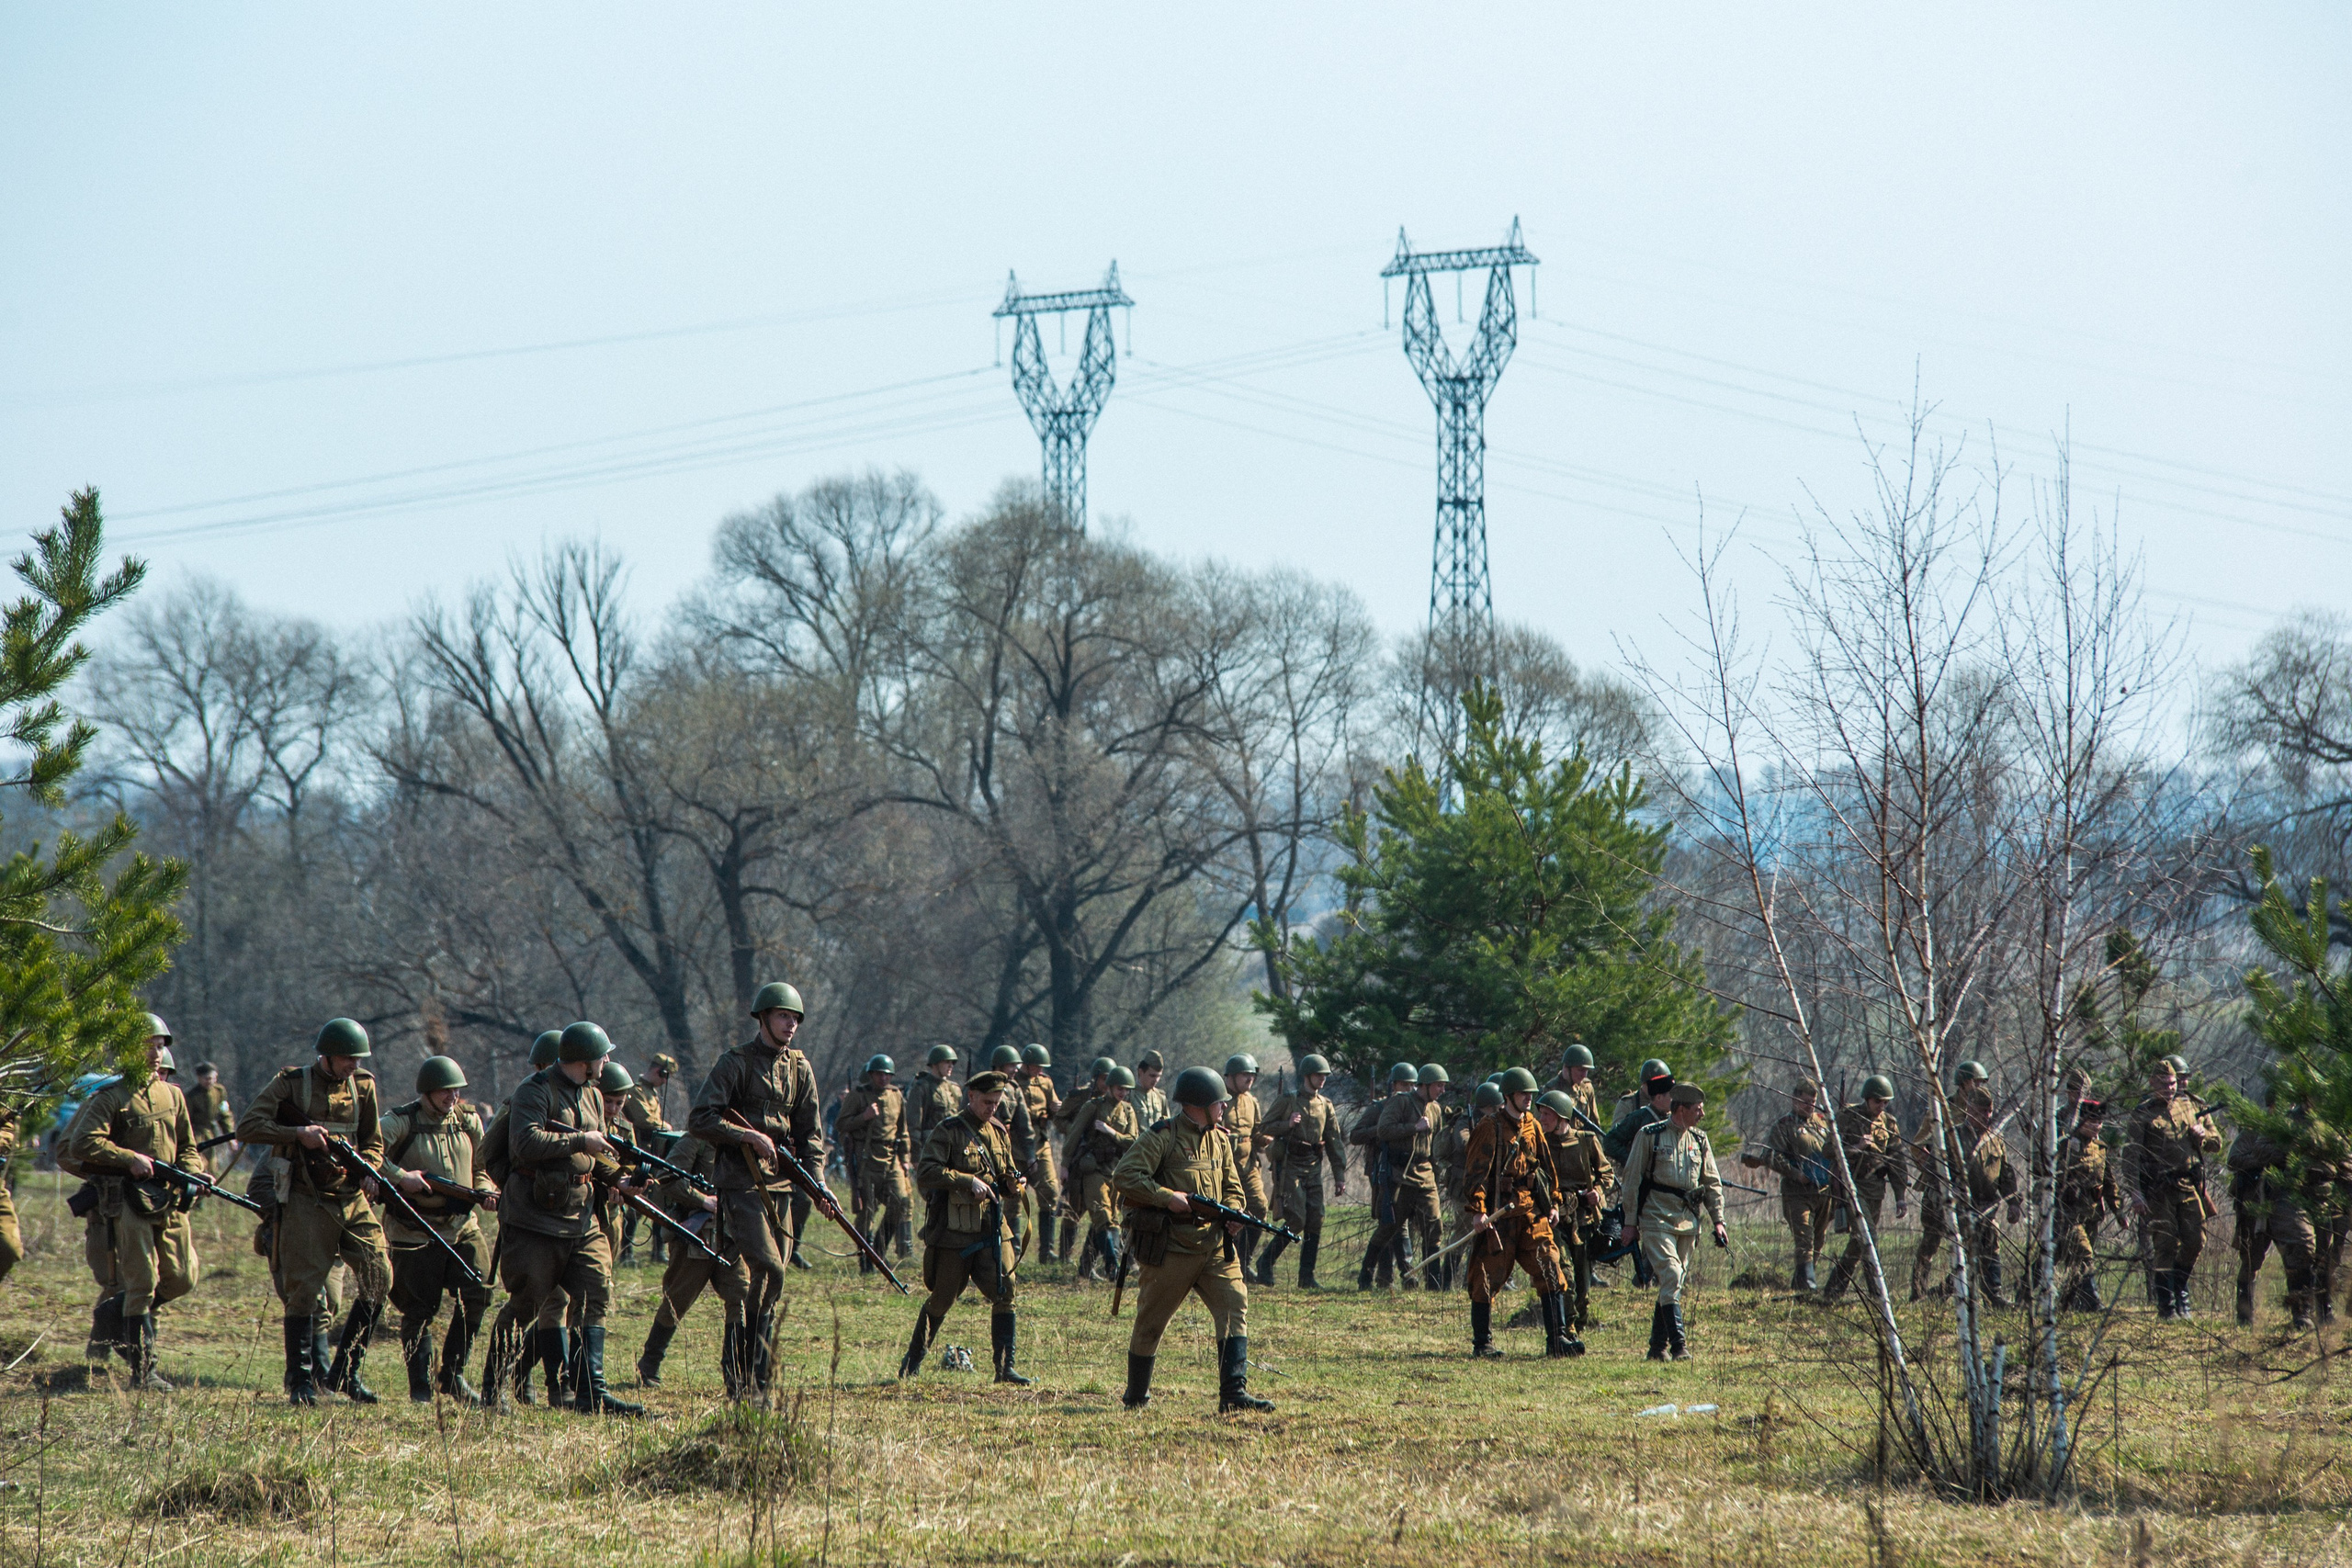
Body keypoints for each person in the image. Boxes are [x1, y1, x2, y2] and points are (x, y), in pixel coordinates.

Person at [237, 1018, 395, 1404]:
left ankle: (345, 1373)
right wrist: (298, 1135)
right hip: (307, 1199)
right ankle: (301, 1381)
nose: (353, 1065)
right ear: (327, 1055)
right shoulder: (291, 1083)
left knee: (380, 1275)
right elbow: (248, 1127)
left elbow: (373, 1142)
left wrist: (370, 1169)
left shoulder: (364, 1086)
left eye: (358, 1059)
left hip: (351, 1197)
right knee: (304, 1291)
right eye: (347, 1058)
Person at [492, 1021, 641, 1416]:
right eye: (602, 1056)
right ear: (583, 1060)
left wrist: (621, 1179)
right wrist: (580, 1140)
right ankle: (494, 1386)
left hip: (581, 1215)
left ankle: (591, 1391)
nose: (606, 1062)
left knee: (596, 1291)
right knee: (527, 1302)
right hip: (536, 1217)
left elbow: (597, 1155)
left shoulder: (591, 1094)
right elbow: (524, 1142)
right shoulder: (534, 1090)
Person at [687, 982, 824, 1399]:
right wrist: (747, 1136)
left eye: (795, 1018)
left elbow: (811, 1134)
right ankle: (748, 1378)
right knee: (771, 1269)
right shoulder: (735, 1063)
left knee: (767, 1286)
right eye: (783, 1016)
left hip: (781, 1185)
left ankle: (750, 1381)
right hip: (740, 1183)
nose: (791, 1025)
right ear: (763, 1018)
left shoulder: (800, 1068)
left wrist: (818, 1183)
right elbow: (700, 1119)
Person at [1113, 1066, 1270, 1413]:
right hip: (1170, 1248)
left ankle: (1233, 1394)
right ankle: (1136, 1397)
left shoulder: (1220, 1139)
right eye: (1219, 1102)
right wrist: (1166, 1197)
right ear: (1198, 1104)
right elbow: (1125, 1175)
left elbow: (1233, 1187)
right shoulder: (1162, 1136)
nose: (1225, 1106)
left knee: (1234, 1306)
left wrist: (1234, 1212)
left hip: (1214, 1246)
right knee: (1151, 1324)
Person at [69, 1018, 201, 1390]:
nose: (156, 1054)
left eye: (160, 1046)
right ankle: (144, 1373)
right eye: (148, 1045)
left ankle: (114, 1313)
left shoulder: (173, 1095)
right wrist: (128, 1158)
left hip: (167, 1199)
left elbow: (188, 1147)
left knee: (181, 1276)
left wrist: (193, 1174)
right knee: (142, 1280)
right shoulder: (110, 1097)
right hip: (127, 1199)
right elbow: (81, 1143)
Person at [376, 1055, 495, 1404]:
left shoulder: (468, 1121)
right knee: (418, 1309)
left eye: (456, 1090)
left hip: (461, 1226)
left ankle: (453, 1375)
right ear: (426, 1092)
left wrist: (484, 1189)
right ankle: (421, 1389)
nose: (452, 1097)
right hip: (414, 1230)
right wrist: (401, 1177)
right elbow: (367, 1151)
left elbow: (482, 1165)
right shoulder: (400, 1122)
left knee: (479, 1291)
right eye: (445, 1091)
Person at [899, 1070, 1029, 1383]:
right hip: (954, 1232)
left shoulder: (998, 1131)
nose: (992, 1108)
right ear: (971, 1096)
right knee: (943, 1298)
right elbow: (927, 1172)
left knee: (1006, 1290)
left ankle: (1005, 1369)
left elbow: (1005, 1174)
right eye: (987, 1102)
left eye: (996, 1103)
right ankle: (912, 1363)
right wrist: (966, 1180)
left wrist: (1014, 1185)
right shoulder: (949, 1131)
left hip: (992, 1228)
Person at [1461, 1068, 1577, 1359]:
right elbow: (1475, 1173)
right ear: (1509, 1095)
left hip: (1530, 1213)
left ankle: (1558, 1339)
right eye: (1523, 1094)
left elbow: (1545, 1167)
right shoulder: (1490, 1127)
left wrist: (1553, 1202)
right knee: (1486, 1276)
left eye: (1531, 1094)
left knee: (1550, 1265)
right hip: (1499, 1216)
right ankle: (1482, 1344)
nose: (1529, 1099)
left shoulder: (1533, 1126)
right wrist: (1478, 1211)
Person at [1619, 1083, 1728, 1361]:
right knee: (1671, 1274)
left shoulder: (1700, 1140)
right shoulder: (1650, 1135)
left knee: (1673, 1282)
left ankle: (1657, 1348)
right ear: (1681, 1109)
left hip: (1687, 1221)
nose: (1702, 1114)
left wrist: (1718, 1221)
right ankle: (1679, 1346)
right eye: (1697, 1109)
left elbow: (1712, 1183)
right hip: (1656, 1217)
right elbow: (1631, 1180)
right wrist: (1630, 1221)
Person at [635, 1134, 744, 1385]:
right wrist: (702, 1200)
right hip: (697, 1236)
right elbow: (666, 1178)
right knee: (676, 1301)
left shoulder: (744, 1140)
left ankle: (735, 1372)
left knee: (741, 1297)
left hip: (732, 1236)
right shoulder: (697, 1139)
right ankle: (649, 1365)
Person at [2227, 1095, 2346, 1329]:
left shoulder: (2328, 1123)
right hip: (2266, 1199)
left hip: (2319, 1196)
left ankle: (2319, 1311)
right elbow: (2237, 1159)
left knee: (2319, 1255)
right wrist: (2288, 1156)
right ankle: (2249, 1313)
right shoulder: (2266, 1126)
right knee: (2256, 1257)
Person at [2126, 1056, 2221, 1321]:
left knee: (2196, 1240)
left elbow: (2215, 1142)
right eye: (2163, 1083)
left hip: (2188, 1184)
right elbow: (2131, 1156)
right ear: (2152, 1083)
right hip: (2159, 1189)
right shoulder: (2143, 1113)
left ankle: (2179, 1288)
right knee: (2165, 1244)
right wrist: (2136, 1192)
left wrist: (2203, 1136)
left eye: (2172, 1083)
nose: (2169, 1088)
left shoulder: (2189, 1106)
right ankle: (2167, 1305)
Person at [1911, 1089, 2020, 1305]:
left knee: (1989, 1247)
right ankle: (1928, 1292)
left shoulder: (1995, 1139)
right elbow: (1932, 1171)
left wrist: (2013, 1203)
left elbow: (2006, 1174)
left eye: (1989, 1111)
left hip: (1986, 1207)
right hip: (1957, 1206)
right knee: (1967, 1251)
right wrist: (1950, 1190)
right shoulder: (1953, 1137)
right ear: (1969, 1110)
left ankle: (1992, 1295)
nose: (1986, 1116)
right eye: (1981, 1111)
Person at [1255, 1054, 1347, 1288]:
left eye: (1325, 1076)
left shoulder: (1326, 1105)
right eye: (1318, 1075)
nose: (1322, 1079)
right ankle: (1265, 1262)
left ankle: (1306, 1276)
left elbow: (1334, 1141)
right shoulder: (1288, 1100)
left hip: (1313, 1167)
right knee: (1297, 1219)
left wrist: (1340, 1176)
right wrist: (1286, 1124)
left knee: (1316, 1219)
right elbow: (1264, 1127)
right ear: (1307, 1076)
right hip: (1290, 1166)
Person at [1820, 1075, 1910, 1303]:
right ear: (1867, 1099)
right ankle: (1877, 1294)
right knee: (1868, 1236)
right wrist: (1856, 1147)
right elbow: (1828, 1150)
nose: (1882, 1106)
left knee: (1858, 1242)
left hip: (1876, 1189)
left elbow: (1897, 1161)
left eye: (1885, 1102)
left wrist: (1900, 1197)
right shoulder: (1847, 1117)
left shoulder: (1889, 1123)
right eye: (1878, 1101)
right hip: (1852, 1186)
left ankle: (1833, 1290)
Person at [1363, 1065, 1448, 1292]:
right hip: (1400, 1174)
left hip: (1425, 1174)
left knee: (1434, 1225)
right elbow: (1383, 1130)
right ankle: (1365, 1276)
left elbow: (1435, 1145)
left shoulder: (1436, 1109)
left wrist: (1437, 1175)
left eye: (1443, 1086)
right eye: (1439, 1086)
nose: (1442, 1090)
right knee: (1389, 1227)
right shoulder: (1400, 1102)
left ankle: (1433, 1283)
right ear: (1426, 1085)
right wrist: (1413, 1127)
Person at [1535, 1089, 1606, 1341]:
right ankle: (1569, 1329)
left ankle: (1579, 1325)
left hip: (1583, 1220)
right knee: (1564, 1275)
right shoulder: (1540, 1144)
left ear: (1562, 1117)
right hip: (1554, 1219)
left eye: (1547, 1114)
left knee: (1583, 1286)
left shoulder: (1586, 1140)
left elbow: (1606, 1173)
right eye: (1541, 1113)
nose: (1542, 1119)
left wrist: (1597, 1192)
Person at [1063, 1066, 1139, 1281]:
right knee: (1101, 1214)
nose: (1123, 1092)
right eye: (1119, 1088)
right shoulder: (1093, 1106)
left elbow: (1133, 1140)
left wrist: (1111, 1132)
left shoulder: (1128, 1111)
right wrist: (1064, 1165)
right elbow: (1074, 1134)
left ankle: (1086, 1268)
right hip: (1093, 1168)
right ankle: (1112, 1265)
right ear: (1110, 1087)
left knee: (1112, 1218)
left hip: (1115, 1169)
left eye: (1126, 1089)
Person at [840, 1054, 914, 1271]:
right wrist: (863, 1117)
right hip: (867, 1160)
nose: (883, 1078)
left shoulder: (896, 1096)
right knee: (867, 1212)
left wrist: (905, 1159)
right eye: (879, 1074)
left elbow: (903, 1130)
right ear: (871, 1074)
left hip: (891, 1159)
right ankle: (866, 1260)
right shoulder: (858, 1095)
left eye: (887, 1075)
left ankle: (878, 1250)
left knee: (901, 1201)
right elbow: (841, 1124)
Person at [1759, 1082, 1835, 1292]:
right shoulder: (1784, 1126)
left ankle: (1801, 1284)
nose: (1810, 1106)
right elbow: (1770, 1155)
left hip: (1823, 1191)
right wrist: (1795, 1173)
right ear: (1794, 1100)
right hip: (1797, 1192)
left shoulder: (1822, 1122)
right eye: (1805, 1101)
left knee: (1818, 1239)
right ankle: (1808, 1286)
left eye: (1813, 1102)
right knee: (1804, 1237)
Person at [2054, 1097, 2122, 1313]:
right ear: (2081, 1120)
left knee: (2066, 1260)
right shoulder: (2065, 1145)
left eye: (2099, 1122)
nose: (2096, 1126)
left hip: (2091, 1213)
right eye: (2092, 1121)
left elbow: (2109, 1182)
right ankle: (2093, 1303)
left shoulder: (2100, 1148)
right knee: (2084, 1255)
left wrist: (2118, 1211)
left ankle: (2065, 1304)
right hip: (2068, 1214)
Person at [1356, 1062, 1419, 1288]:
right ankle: (1394, 1276)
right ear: (1394, 1085)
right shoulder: (1379, 1107)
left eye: (1412, 1085)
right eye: (1404, 1085)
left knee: (1398, 1222)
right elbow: (1355, 1135)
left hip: (1406, 1171)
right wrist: (1381, 1129)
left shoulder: (1414, 1107)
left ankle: (1393, 1276)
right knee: (1389, 1219)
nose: (1409, 1089)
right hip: (1382, 1169)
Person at [1435, 1082, 1500, 1291]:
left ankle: (1470, 1280)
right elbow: (1464, 1143)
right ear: (1489, 1106)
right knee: (1463, 1233)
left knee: (1480, 1236)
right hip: (1464, 1186)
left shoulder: (1494, 1121)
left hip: (1483, 1185)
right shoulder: (1465, 1121)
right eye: (1498, 1106)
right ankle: (1445, 1282)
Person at [1051, 1057, 1114, 1265]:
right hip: (1079, 1159)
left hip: (1102, 1163)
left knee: (1101, 1212)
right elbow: (1059, 1118)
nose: (1107, 1084)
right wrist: (1077, 1130)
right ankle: (1064, 1258)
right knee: (1073, 1209)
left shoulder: (1114, 1102)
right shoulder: (1079, 1097)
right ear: (1095, 1078)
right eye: (1104, 1079)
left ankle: (1089, 1262)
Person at [616, 1053, 676, 1265]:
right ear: (659, 1071)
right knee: (635, 1203)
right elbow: (644, 1119)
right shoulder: (636, 1091)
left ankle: (658, 1251)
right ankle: (626, 1252)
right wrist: (666, 1126)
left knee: (659, 1201)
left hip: (655, 1153)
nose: (665, 1082)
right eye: (665, 1076)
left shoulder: (652, 1093)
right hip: (640, 1154)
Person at [985, 1043, 1041, 1248]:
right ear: (999, 1065)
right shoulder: (982, 1085)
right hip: (984, 1147)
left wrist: (1030, 1154)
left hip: (1005, 1148)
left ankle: (1012, 1246)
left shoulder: (1014, 1090)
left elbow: (1025, 1126)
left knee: (1013, 1197)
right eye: (1011, 1065)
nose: (1016, 1069)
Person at [1221, 1054, 1269, 1276]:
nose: (1250, 1079)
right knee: (1226, 1214)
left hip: (1248, 1166)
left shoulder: (1251, 1101)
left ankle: (1244, 1259)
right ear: (1231, 1076)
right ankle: (1225, 1260)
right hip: (1223, 1168)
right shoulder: (1218, 1099)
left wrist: (1266, 1139)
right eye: (1244, 1075)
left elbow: (1257, 1131)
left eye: (1252, 1075)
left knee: (1259, 1207)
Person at [1017, 1044, 1064, 1264]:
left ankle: (1047, 1250)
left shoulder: (1045, 1083)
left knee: (1050, 1191)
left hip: (1040, 1143)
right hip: (1015, 1145)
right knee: (1013, 1198)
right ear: (1026, 1065)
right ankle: (1012, 1249)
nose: (1039, 1070)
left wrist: (1056, 1110)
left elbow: (1054, 1112)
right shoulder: (1012, 1083)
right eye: (1036, 1066)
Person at [1603, 1062, 1676, 1165]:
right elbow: (1614, 1139)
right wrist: (1631, 1161)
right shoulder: (1629, 1103)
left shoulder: (1669, 1102)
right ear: (1644, 1084)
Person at [910, 1045, 963, 1141]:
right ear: (935, 1064)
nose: (951, 1066)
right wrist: (916, 1145)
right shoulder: (922, 1087)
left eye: (952, 1063)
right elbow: (914, 1124)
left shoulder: (955, 1089)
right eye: (947, 1062)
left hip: (952, 1141)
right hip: (931, 1141)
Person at [1546, 1043, 1602, 1130]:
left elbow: (1595, 1121)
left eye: (1586, 1071)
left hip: (1583, 1137)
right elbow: (1542, 1126)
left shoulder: (1586, 1087)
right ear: (1567, 1068)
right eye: (1580, 1070)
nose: (1584, 1075)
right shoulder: (1551, 1090)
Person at [187, 1062, 234, 1145]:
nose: (211, 1081)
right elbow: (186, 1120)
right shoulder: (191, 1096)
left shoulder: (219, 1091)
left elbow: (225, 1115)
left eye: (214, 1078)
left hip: (213, 1133)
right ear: (199, 1078)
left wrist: (230, 1135)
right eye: (207, 1079)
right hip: (196, 1134)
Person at [1132, 1051, 1170, 1129]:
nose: (1156, 1080)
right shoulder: (1129, 1095)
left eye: (1158, 1076)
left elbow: (1168, 1124)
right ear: (1141, 1072)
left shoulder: (1160, 1097)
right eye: (1152, 1076)